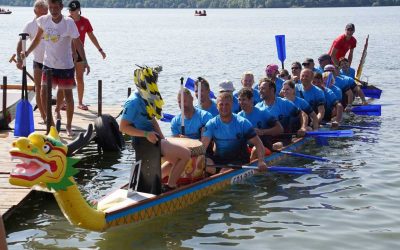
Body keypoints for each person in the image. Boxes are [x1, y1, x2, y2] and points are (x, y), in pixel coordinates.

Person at [23, 0, 90, 137]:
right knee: (43, 93)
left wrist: (84, 61)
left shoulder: (68, 23)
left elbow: (78, 43)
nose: (53, 10)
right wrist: (27, 52)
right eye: (51, 7)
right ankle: (51, 125)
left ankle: (69, 126)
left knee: (68, 96)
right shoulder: (43, 20)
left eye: (56, 7)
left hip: (66, 66)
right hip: (48, 65)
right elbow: (36, 39)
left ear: (61, 7)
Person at [120, 88, 191, 192]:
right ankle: (170, 186)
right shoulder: (133, 101)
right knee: (186, 154)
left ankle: (154, 182)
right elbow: (122, 127)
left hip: (154, 139)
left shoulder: (146, 96)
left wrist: (163, 138)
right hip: (144, 142)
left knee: (175, 161)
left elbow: (153, 121)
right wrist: (146, 134)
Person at [201, 92, 267, 172]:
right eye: (221, 104)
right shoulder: (211, 124)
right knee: (204, 161)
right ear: (217, 106)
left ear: (232, 105)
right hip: (219, 160)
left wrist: (261, 161)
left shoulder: (242, 123)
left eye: (227, 104)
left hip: (239, 160)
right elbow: (203, 147)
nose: (224, 107)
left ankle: (218, 176)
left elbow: (259, 144)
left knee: (224, 170)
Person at [68, 0, 106, 111]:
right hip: (66, 53)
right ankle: (64, 102)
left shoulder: (85, 21)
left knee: (79, 78)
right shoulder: (66, 21)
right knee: (67, 79)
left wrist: (100, 50)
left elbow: (92, 37)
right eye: (70, 10)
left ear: (79, 10)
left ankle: (80, 102)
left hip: (80, 53)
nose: (71, 12)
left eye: (73, 10)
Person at [16, 0, 48, 124]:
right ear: (35, 11)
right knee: (39, 88)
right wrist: (19, 59)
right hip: (38, 61)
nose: (44, 15)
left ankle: (55, 110)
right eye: (41, 13)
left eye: (46, 12)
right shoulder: (30, 25)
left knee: (54, 88)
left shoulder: (51, 22)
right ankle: (43, 115)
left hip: (52, 61)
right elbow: (21, 42)